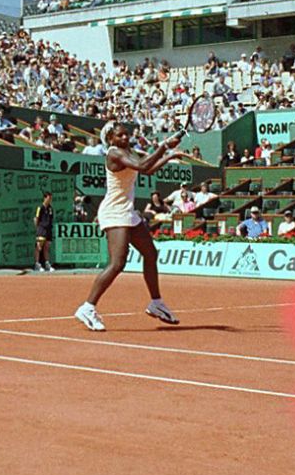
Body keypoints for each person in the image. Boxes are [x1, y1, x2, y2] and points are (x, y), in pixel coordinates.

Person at [74, 122, 186, 332]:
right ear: (110, 139)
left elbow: (149, 170)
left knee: (150, 254)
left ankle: (156, 303)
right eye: (120, 136)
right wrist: (164, 146)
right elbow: (143, 167)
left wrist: (168, 156)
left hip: (127, 212)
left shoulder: (128, 151)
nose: (125, 138)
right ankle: (87, 307)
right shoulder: (114, 153)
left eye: (126, 135)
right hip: (114, 212)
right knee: (117, 263)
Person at [32, 191, 55, 273]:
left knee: (46, 247)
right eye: (49, 198)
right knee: (39, 246)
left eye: (51, 198)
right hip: (42, 229)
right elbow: (36, 219)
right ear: (45, 198)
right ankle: (37, 265)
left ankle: (47, 265)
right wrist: (38, 228)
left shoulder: (50, 208)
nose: (50, 200)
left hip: (48, 230)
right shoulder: (40, 207)